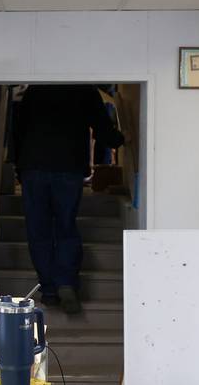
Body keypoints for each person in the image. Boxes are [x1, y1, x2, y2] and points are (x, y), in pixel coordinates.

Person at [10, 84, 125, 314]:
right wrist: (121, 139)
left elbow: (18, 128)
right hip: (69, 167)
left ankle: (49, 289)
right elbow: (104, 129)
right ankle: (66, 283)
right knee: (66, 226)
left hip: (34, 166)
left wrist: (17, 165)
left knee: (38, 229)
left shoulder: (35, 89)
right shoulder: (84, 89)